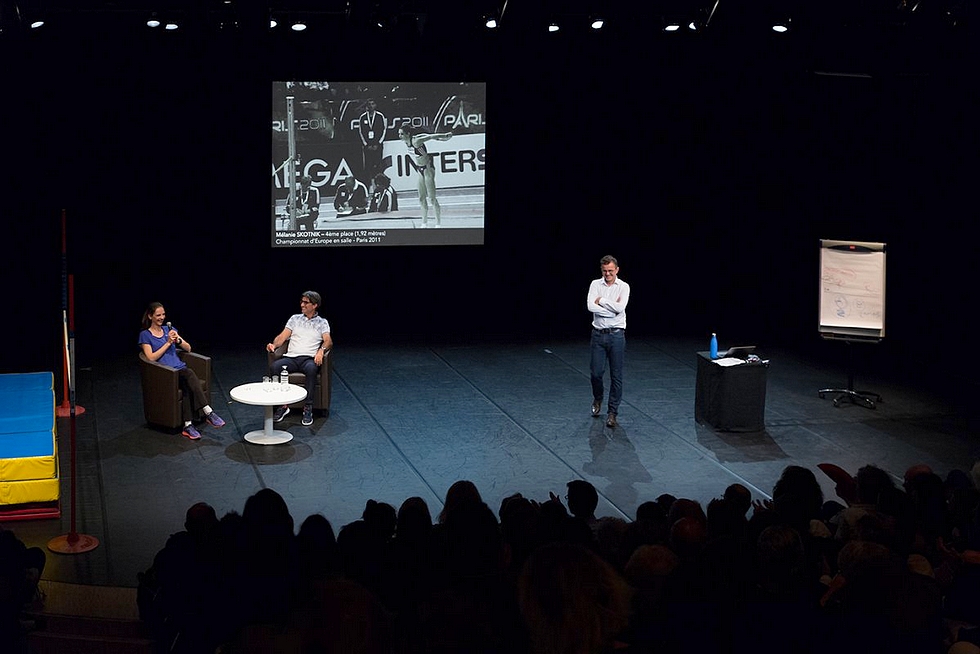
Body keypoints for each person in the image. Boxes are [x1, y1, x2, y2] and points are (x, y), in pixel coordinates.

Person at [139, 302, 225, 440]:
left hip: (179, 370)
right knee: (189, 373)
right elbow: (150, 357)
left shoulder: (170, 329)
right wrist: (167, 343)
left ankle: (188, 425)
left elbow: (188, 348)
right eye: (158, 315)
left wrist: (177, 340)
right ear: (150, 316)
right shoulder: (145, 335)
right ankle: (208, 411)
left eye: (163, 314)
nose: (162, 317)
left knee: (186, 386)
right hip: (165, 373)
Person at [267, 291, 332, 427]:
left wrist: (321, 351)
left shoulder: (322, 322)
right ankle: (283, 405)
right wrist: (274, 344)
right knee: (275, 367)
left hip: (309, 358)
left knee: (311, 369)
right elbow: (282, 337)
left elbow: (328, 341)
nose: (302, 304)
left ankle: (308, 407)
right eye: (301, 301)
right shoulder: (295, 319)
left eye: (306, 302)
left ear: (314, 305)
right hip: (292, 358)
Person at [587, 255, 630, 428]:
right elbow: (591, 307)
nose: (607, 274)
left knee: (616, 375)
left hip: (616, 335)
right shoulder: (595, 284)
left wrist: (603, 301)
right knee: (596, 373)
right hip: (598, 335)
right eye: (605, 271)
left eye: (611, 271)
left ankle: (613, 412)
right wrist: (611, 310)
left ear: (617, 270)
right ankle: (598, 398)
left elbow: (620, 309)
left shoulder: (623, 287)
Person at [397, 125, 452, 228]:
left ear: (408, 134)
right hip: (420, 170)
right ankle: (424, 223)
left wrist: (444, 135)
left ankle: (438, 223)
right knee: (421, 198)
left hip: (428, 169)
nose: (399, 136)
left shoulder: (416, 141)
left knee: (432, 198)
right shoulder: (406, 142)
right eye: (399, 134)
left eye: (401, 134)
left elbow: (430, 136)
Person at [358, 99, 387, 183]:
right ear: (367, 106)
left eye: (372, 104)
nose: (371, 106)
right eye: (369, 104)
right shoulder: (362, 117)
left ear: (375, 105)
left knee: (378, 166)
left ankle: (380, 184)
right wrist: (366, 144)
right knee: (368, 167)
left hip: (377, 145)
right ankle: (368, 185)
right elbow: (361, 131)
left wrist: (378, 143)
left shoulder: (380, 116)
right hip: (367, 146)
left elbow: (384, 130)